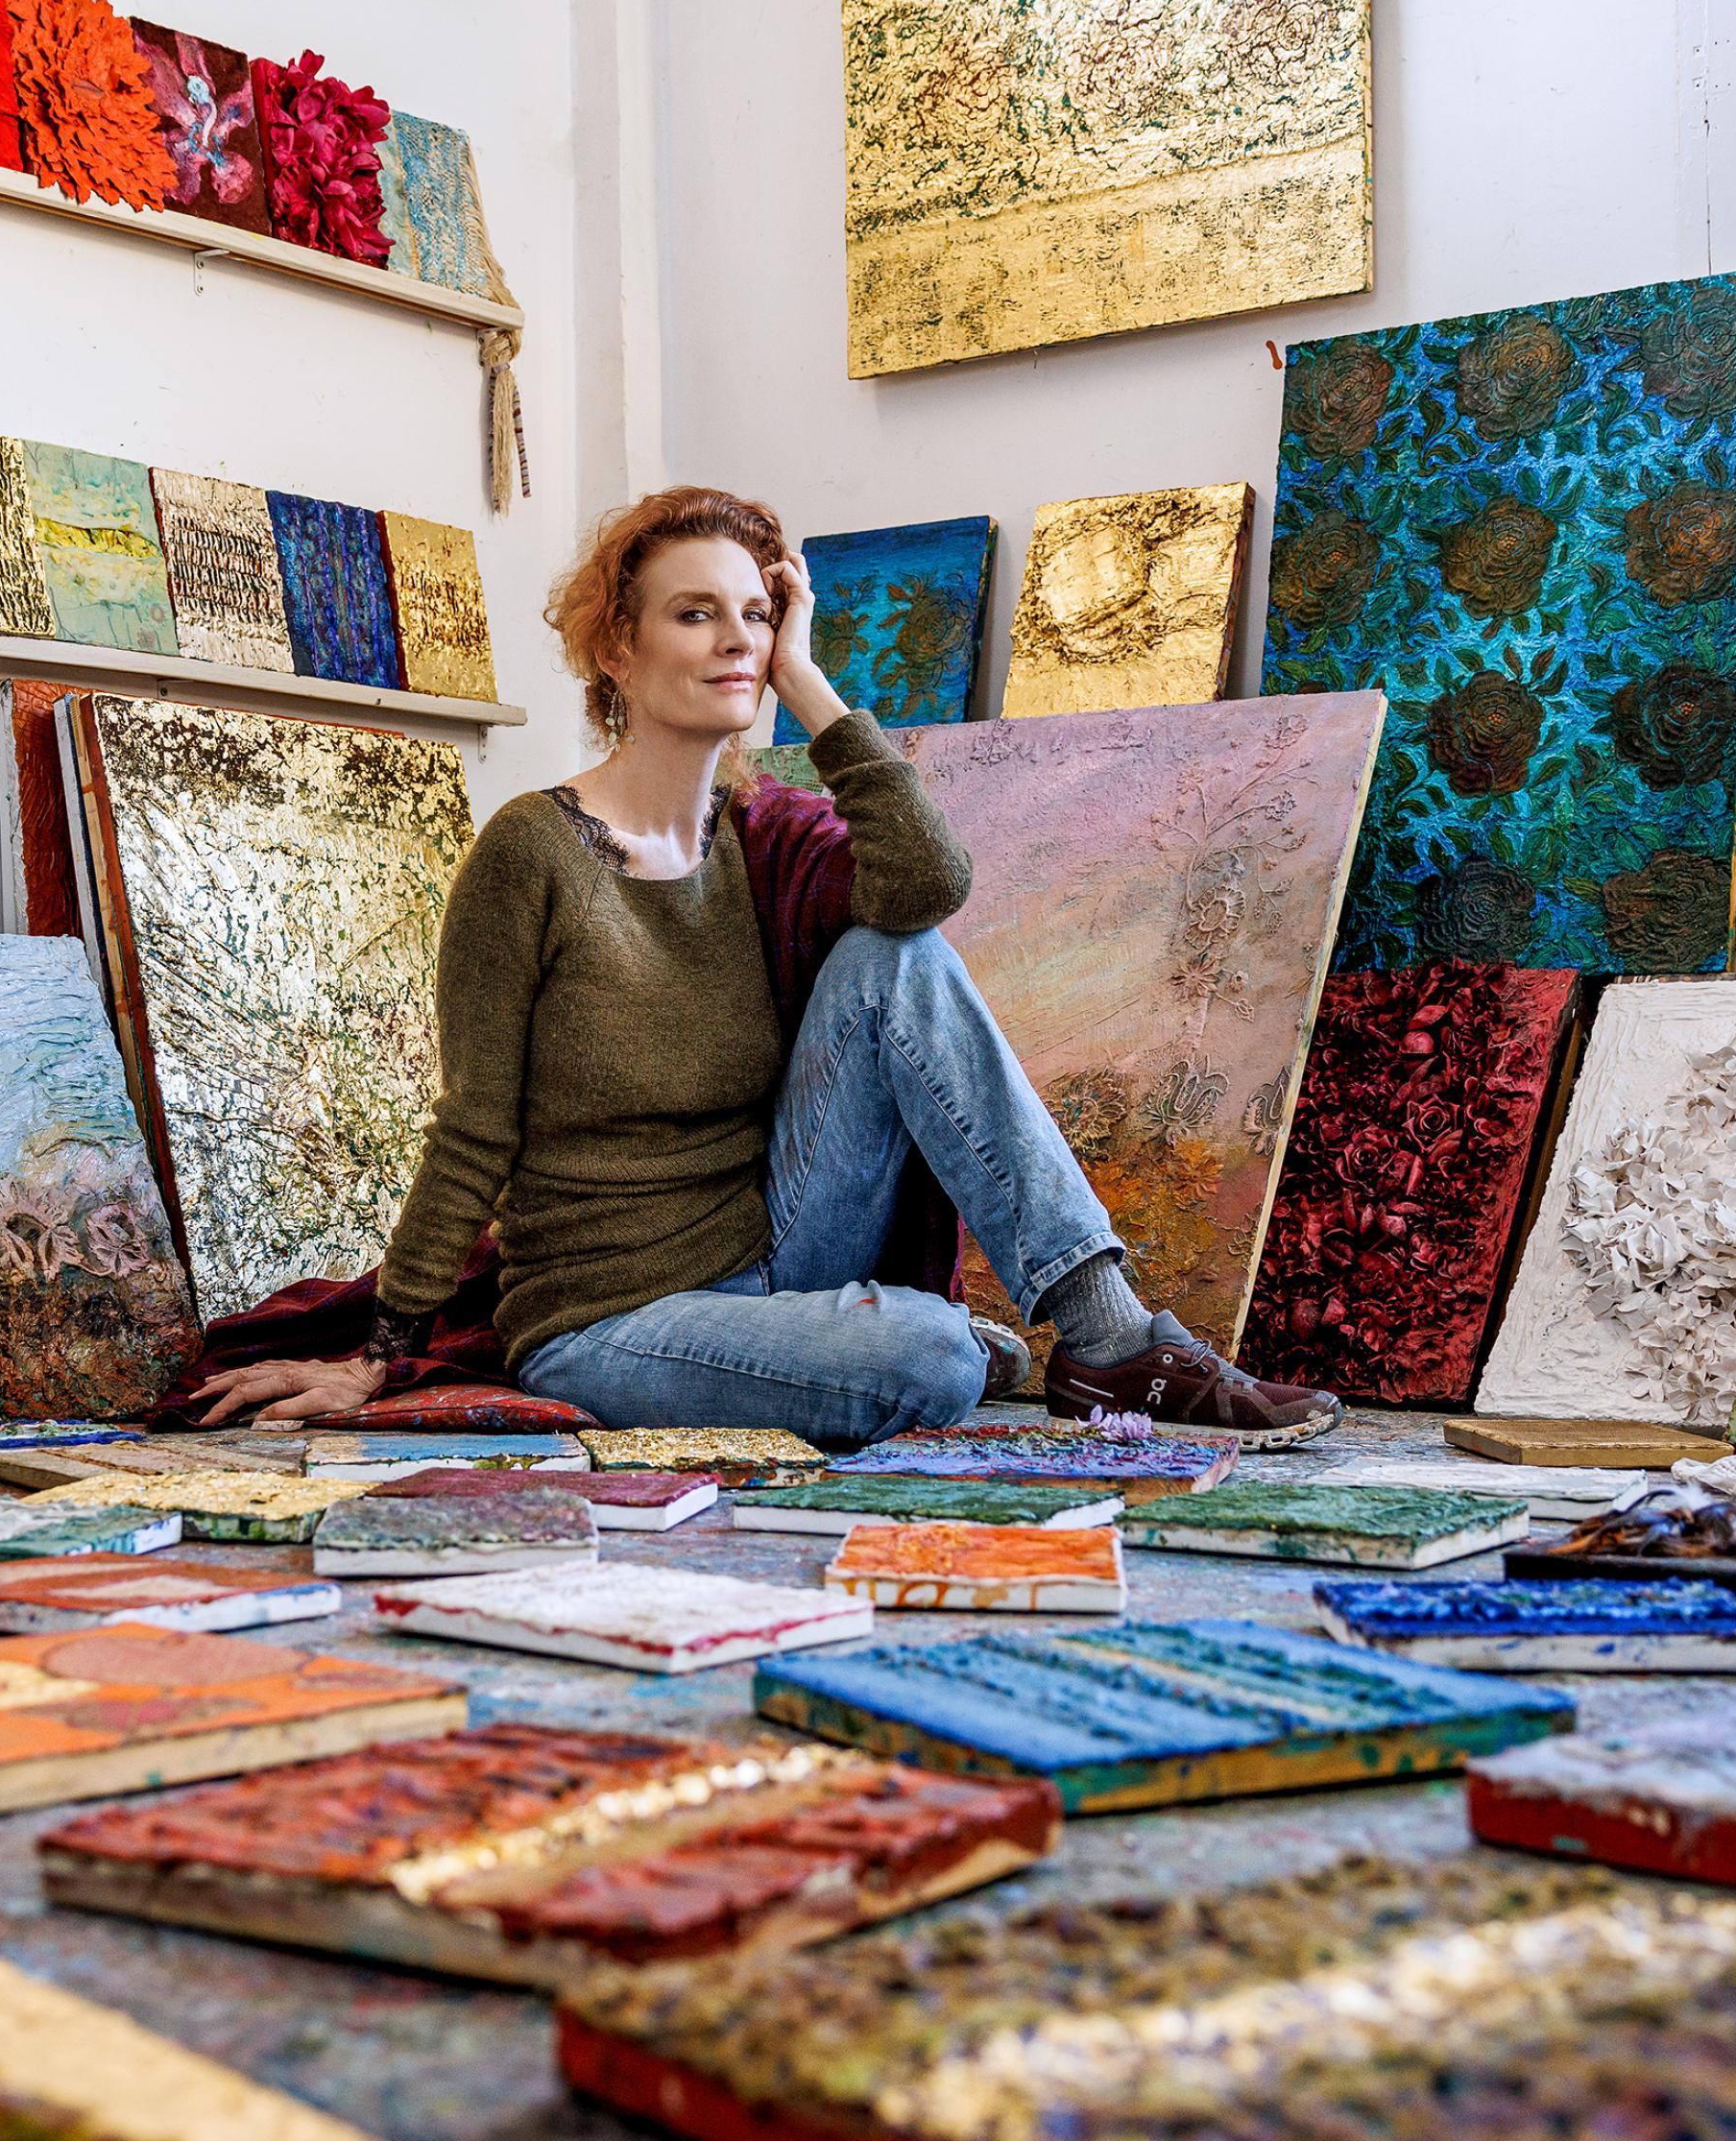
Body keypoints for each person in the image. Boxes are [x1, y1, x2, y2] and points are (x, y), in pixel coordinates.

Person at [190, 486, 1339, 1452]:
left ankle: (1107, 1335)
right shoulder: (530, 852)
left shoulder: (759, 837)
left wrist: (804, 678)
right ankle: (887, 1341)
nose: (734, 638)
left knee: (897, 956)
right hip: (611, 1314)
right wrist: (378, 1355)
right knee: (934, 1355)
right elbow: (472, 1127)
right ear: (615, 647)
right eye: (695, 614)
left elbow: (927, 885)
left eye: (753, 615)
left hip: (779, 1249)